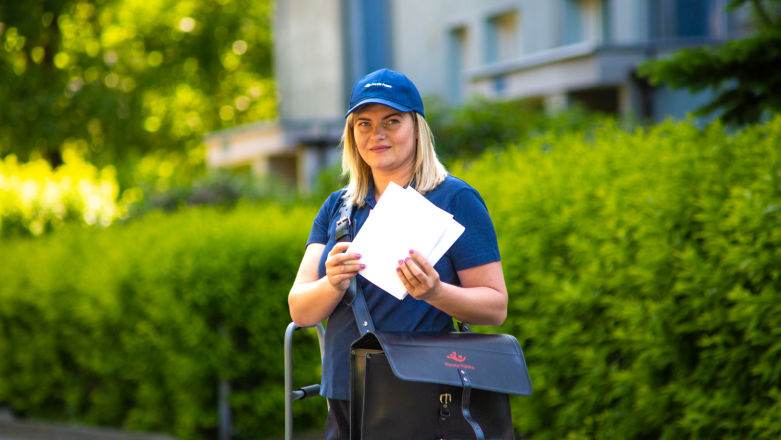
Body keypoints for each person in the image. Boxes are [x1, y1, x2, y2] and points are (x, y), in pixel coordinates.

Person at [288, 68, 508, 439]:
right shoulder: (338, 207)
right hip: (344, 394)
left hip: (421, 393)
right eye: (364, 123)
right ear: (352, 133)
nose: (377, 134)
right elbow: (300, 310)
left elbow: (495, 307)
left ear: (416, 128)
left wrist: (435, 292)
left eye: (392, 121)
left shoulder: (455, 199)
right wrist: (333, 283)